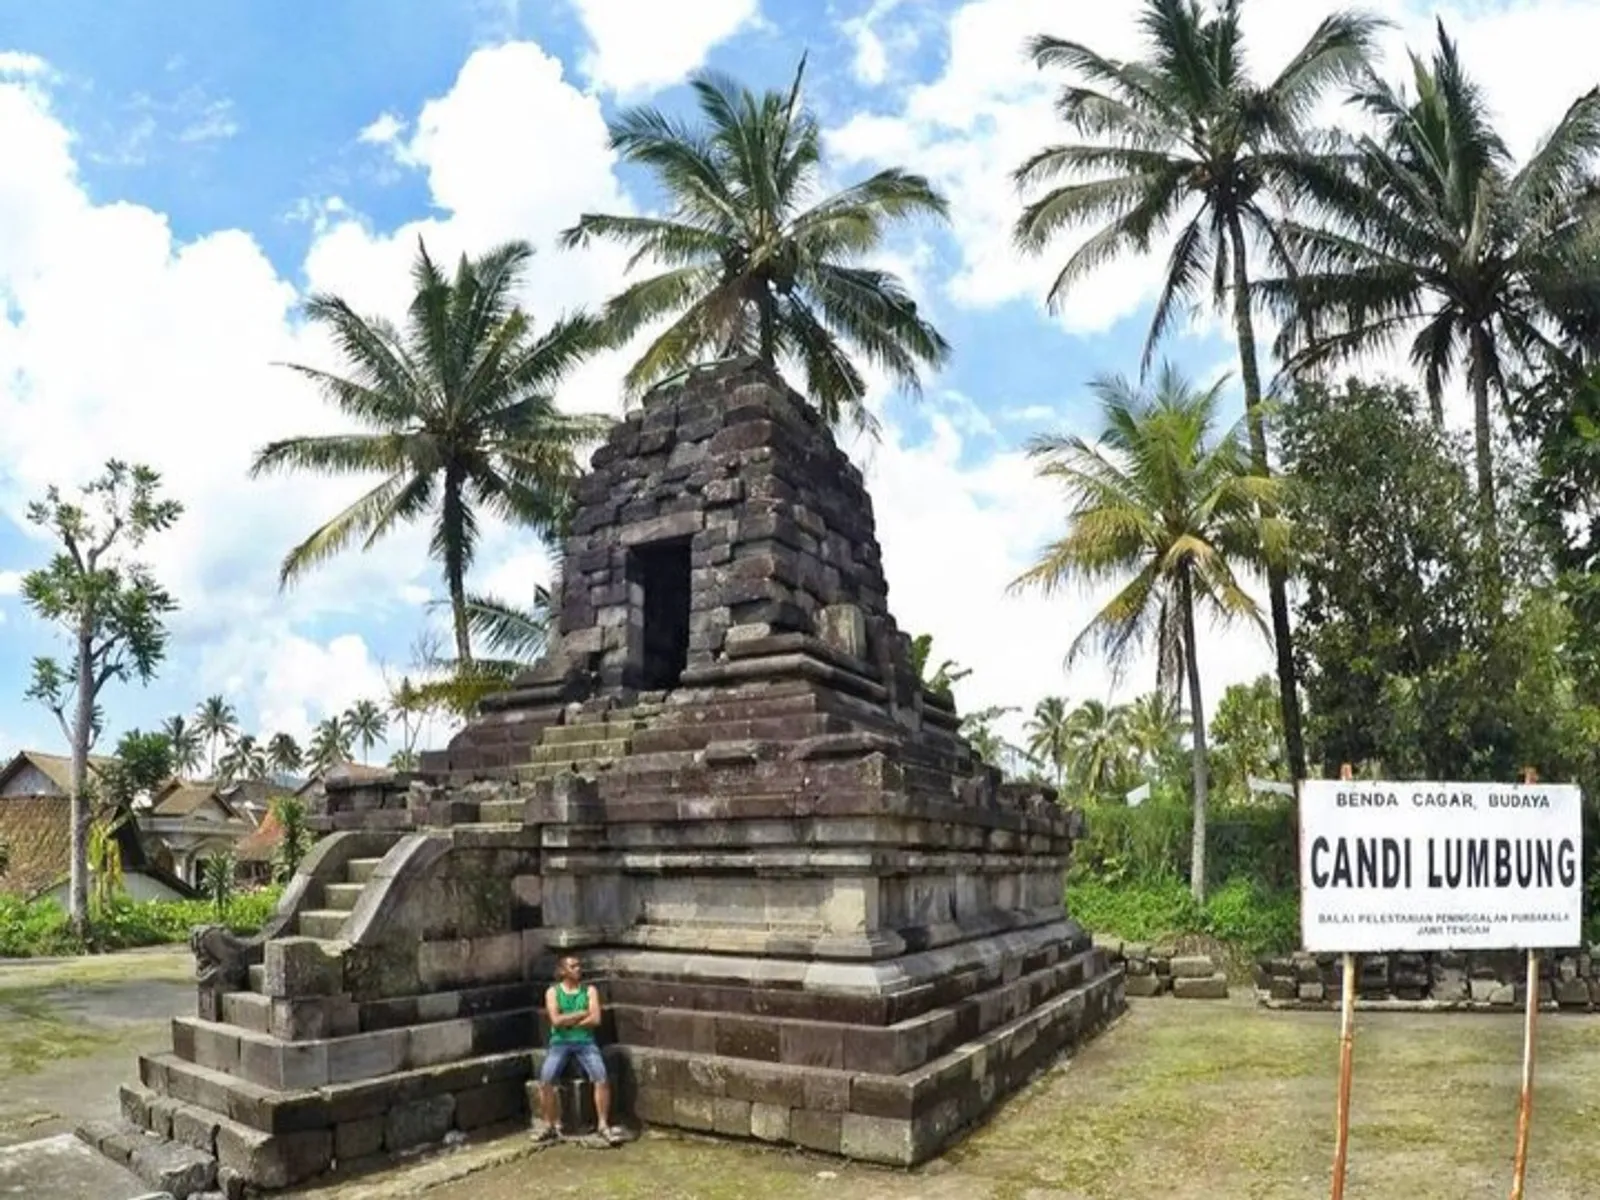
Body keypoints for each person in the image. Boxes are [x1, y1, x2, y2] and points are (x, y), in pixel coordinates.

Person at [533, 954, 625, 1145]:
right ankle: (549, 1124)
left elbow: (596, 1019)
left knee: (601, 1077)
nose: (578, 969)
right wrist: (582, 1014)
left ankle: (602, 1124)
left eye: (578, 966)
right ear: (562, 971)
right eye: (573, 966)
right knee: (545, 1079)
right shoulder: (553, 992)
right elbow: (556, 1020)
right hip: (560, 1042)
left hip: (585, 1042)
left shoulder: (589, 990)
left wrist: (569, 1021)